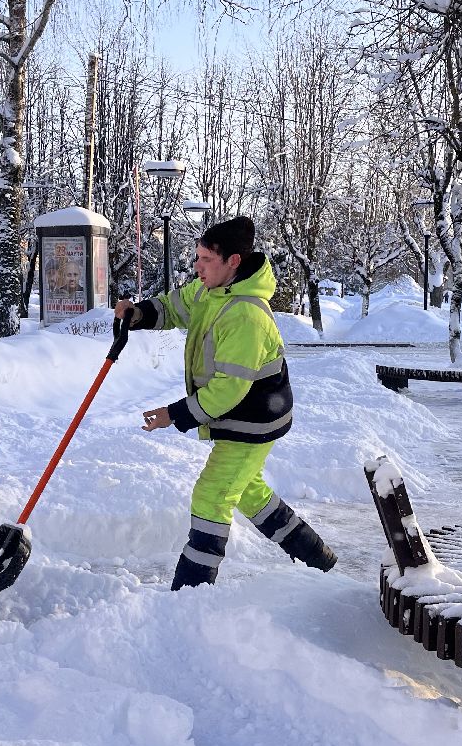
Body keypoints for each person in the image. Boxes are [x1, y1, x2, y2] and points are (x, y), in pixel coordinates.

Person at [116, 215, 337, 590]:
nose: (197, 267)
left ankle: (190, 594)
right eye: (197, 257)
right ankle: (319, 560)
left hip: (252, 420)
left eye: (206, 260)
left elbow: (227, 390)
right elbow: (175, 305)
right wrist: (138, 314)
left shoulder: (246, 315)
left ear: (233, 261)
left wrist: (175, 414)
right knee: (248, 490)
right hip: (241, 415)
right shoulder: (210, 291)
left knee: (213, 495)